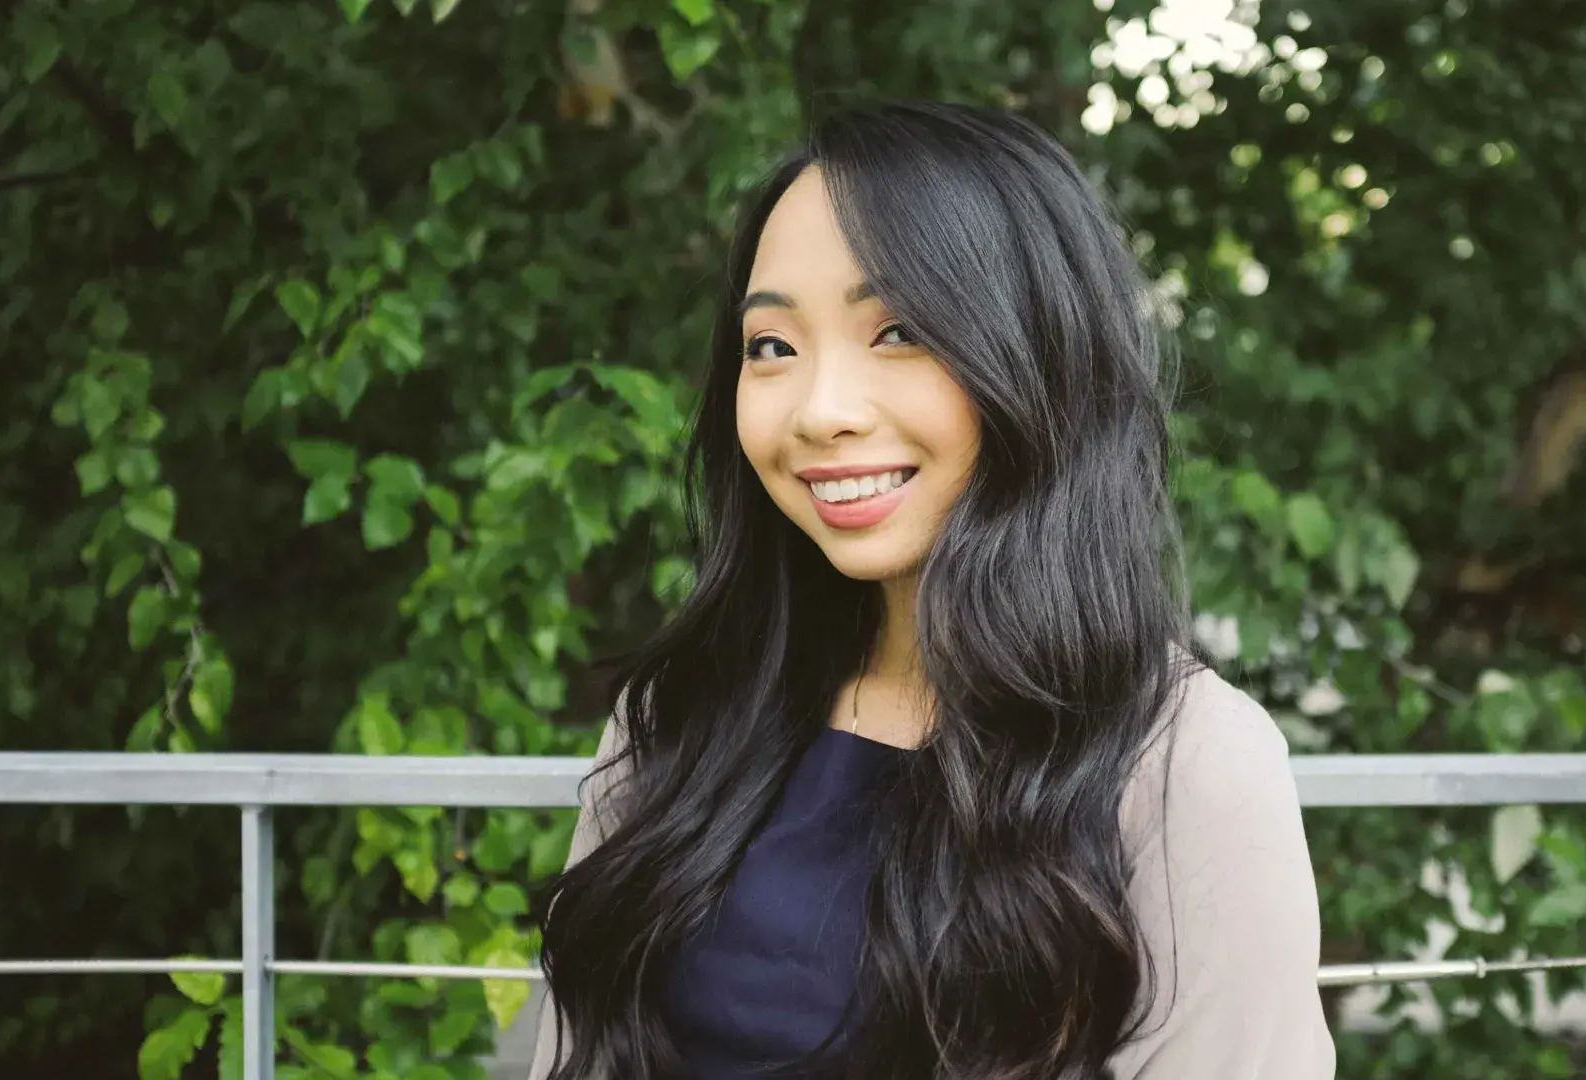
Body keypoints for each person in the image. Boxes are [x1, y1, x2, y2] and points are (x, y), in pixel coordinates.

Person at [527, 100, 1333, 1080]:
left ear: (1040, 361)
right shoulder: (680, 719)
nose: (821, 411)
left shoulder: (1184, 764)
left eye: (900, 331)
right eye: (771, 346)